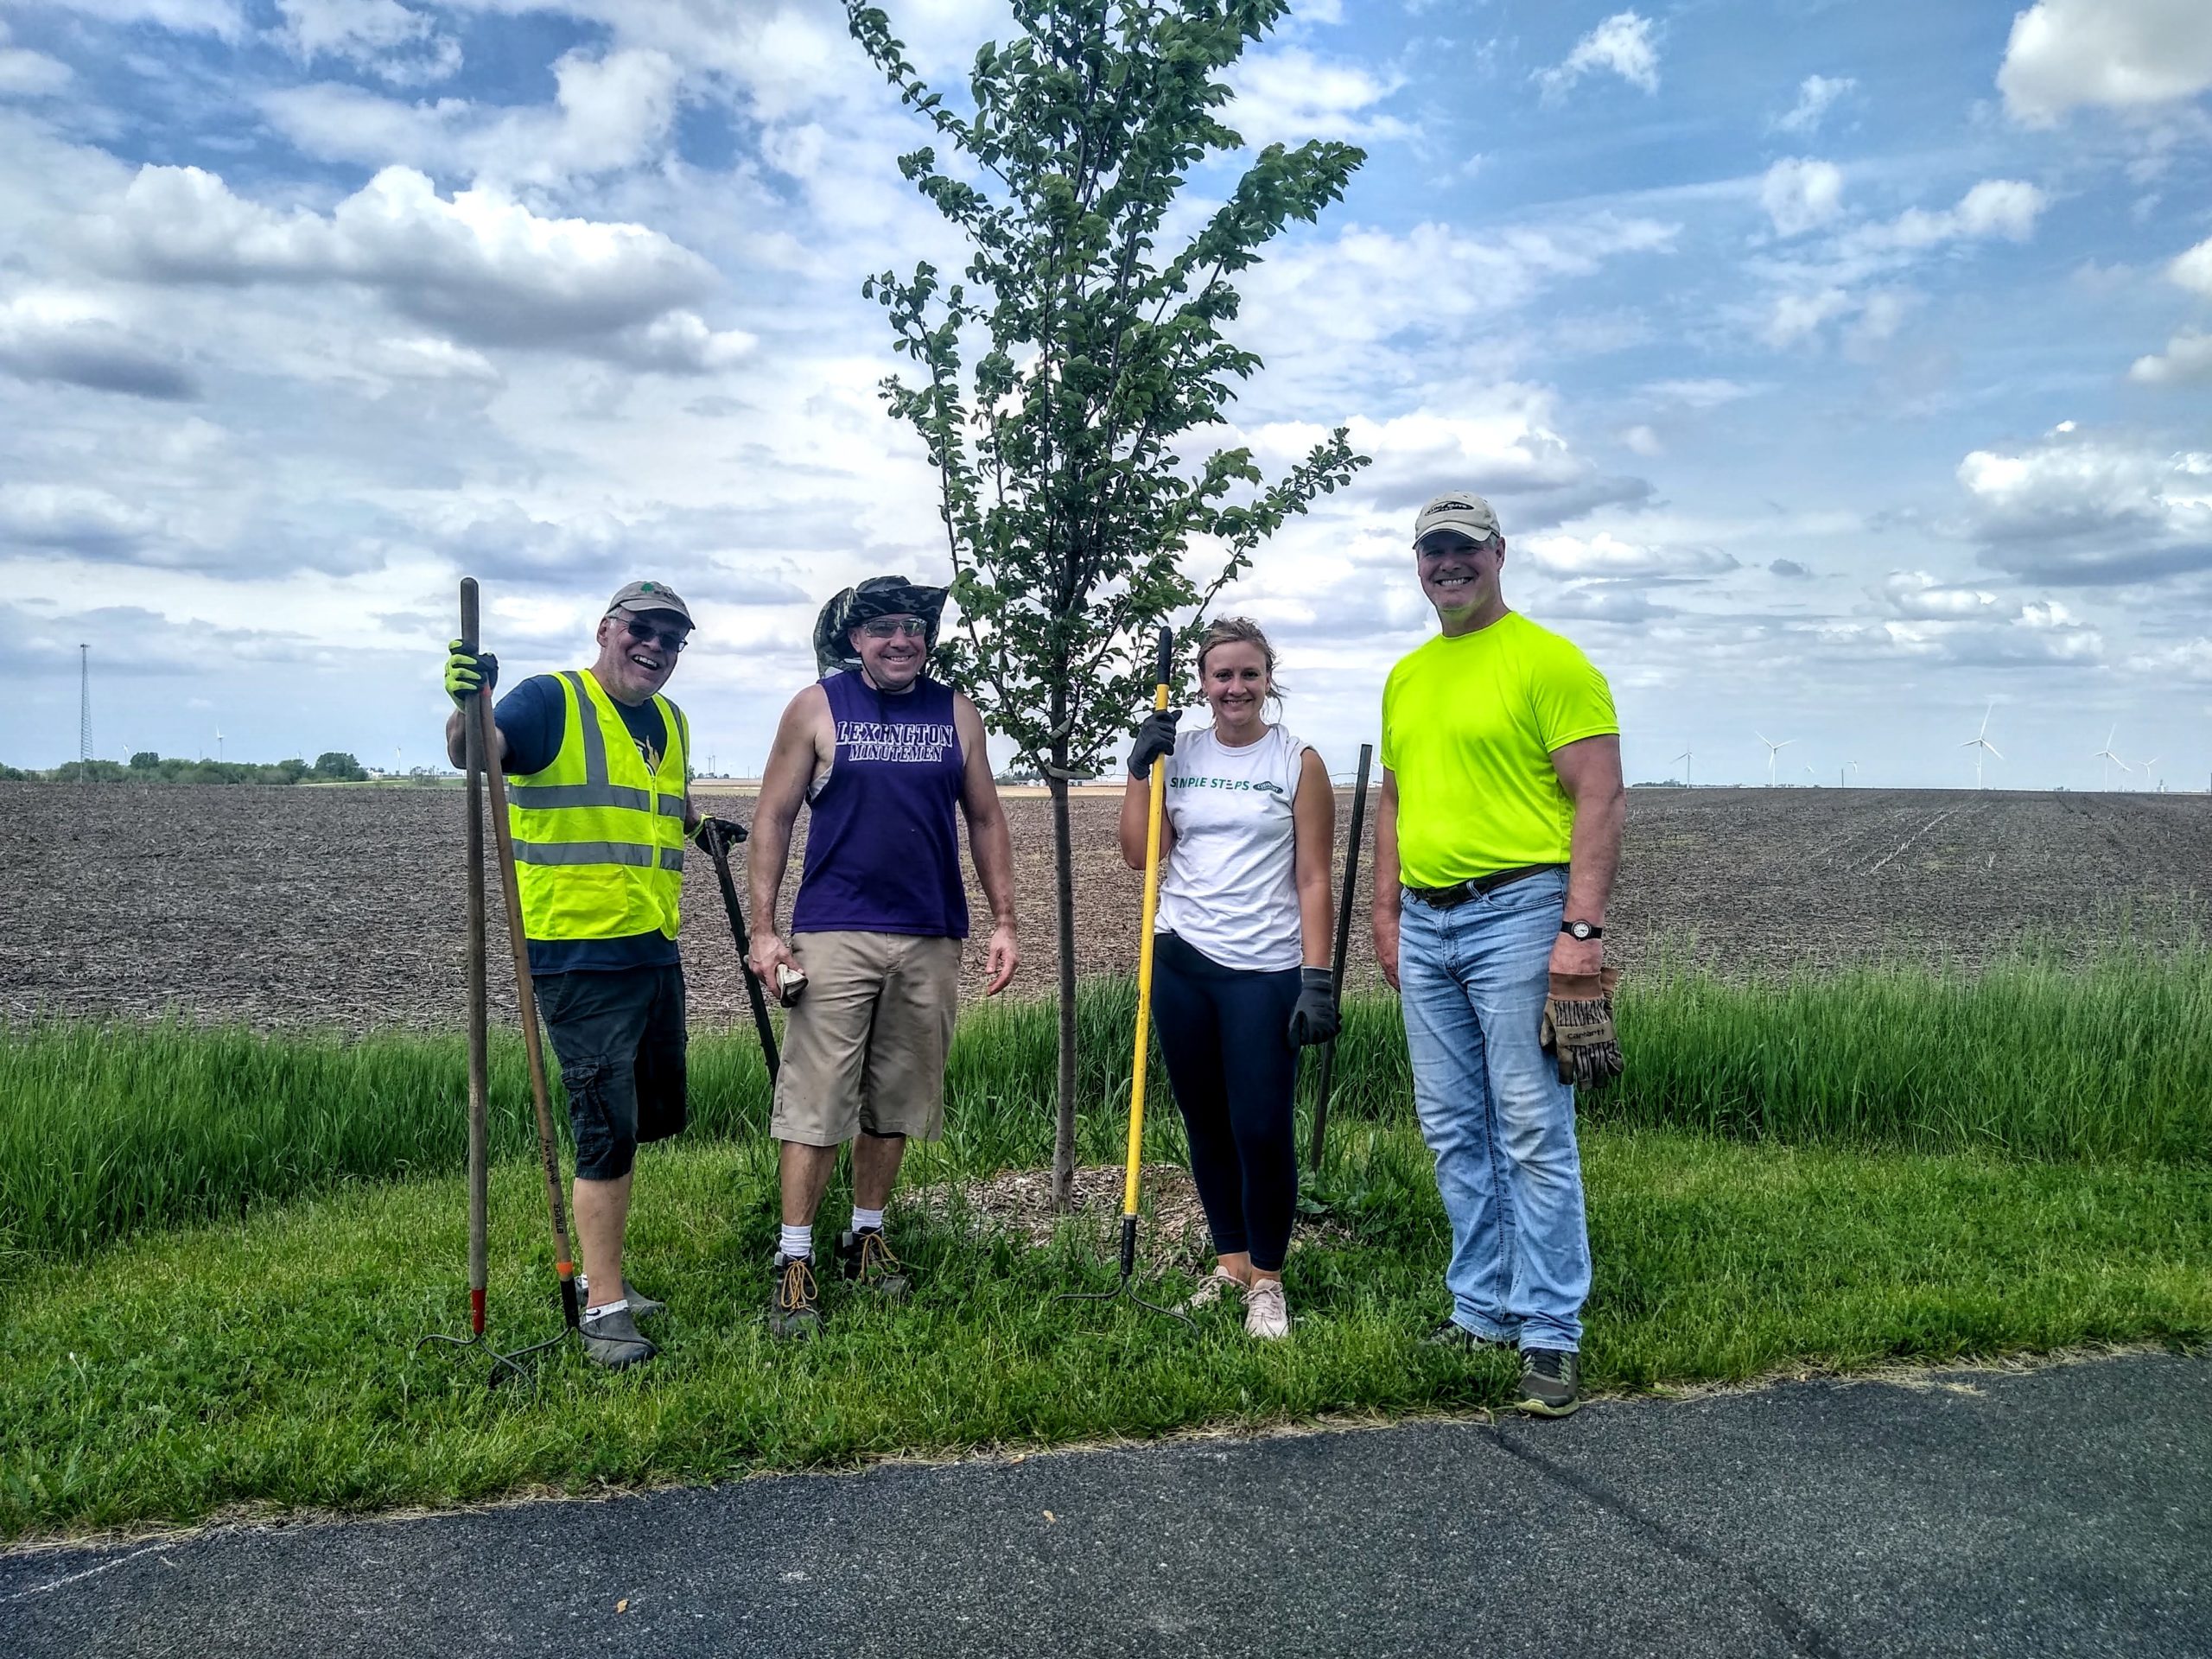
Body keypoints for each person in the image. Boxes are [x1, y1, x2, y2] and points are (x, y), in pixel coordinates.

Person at [442, 580, 741, 1370]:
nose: (657, 648)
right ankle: (602, 1305)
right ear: (608, 629)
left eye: (674, 639)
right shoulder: (552, 700)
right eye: (643, 630)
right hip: (577, 956)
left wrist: (701, 825)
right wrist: (471, 703)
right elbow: (477, 755)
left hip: (651, 946)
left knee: (638, 1118)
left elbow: (650, 801)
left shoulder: (669, 721)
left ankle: (608, 1278)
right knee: (603, 1128)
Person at [1371, 493, 1626, 1418]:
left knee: (1530, 1126)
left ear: (1498, 554)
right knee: (1450, 1127)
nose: (1448, 563)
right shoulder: (1407, 676)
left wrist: (1580, 933)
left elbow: (1598, 796)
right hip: (1427, 921)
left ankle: (1550, 1332)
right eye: (1433, 549)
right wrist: (1385, 912)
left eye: (1464, 549)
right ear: (1418, 561)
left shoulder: (1551, 664)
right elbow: (1396, 802)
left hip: (1519, 913)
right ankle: (1479, 1307)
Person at [745, 575, 1020, 1338]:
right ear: (855, 640)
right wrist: (764, 932)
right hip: (836, 928)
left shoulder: (956, 712)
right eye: (883, 628)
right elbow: (772, 816)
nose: (902, 640)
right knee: (817, 1098)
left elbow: (987, 818)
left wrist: (1005, 920)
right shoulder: (817, 707)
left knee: (897, 1096)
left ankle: (866, 1233)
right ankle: (792, 1256)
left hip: (931, 931)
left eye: (915, 628)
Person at [1121, 618, 1338, 1339]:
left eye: (1248, 674)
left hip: (1265, 970)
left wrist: (1317, 976)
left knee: (1260, 1125)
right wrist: (1137, 773)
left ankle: (1270, 1281)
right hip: (1182, 959)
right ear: (1203, 684)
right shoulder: (1177, 755)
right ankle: (1231, 1264)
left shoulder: (1297, 762)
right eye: (1222, 676)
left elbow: (1312, 877)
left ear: (1268, 680)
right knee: (1206, 1122)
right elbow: (1139, 855)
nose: (1235, 688)